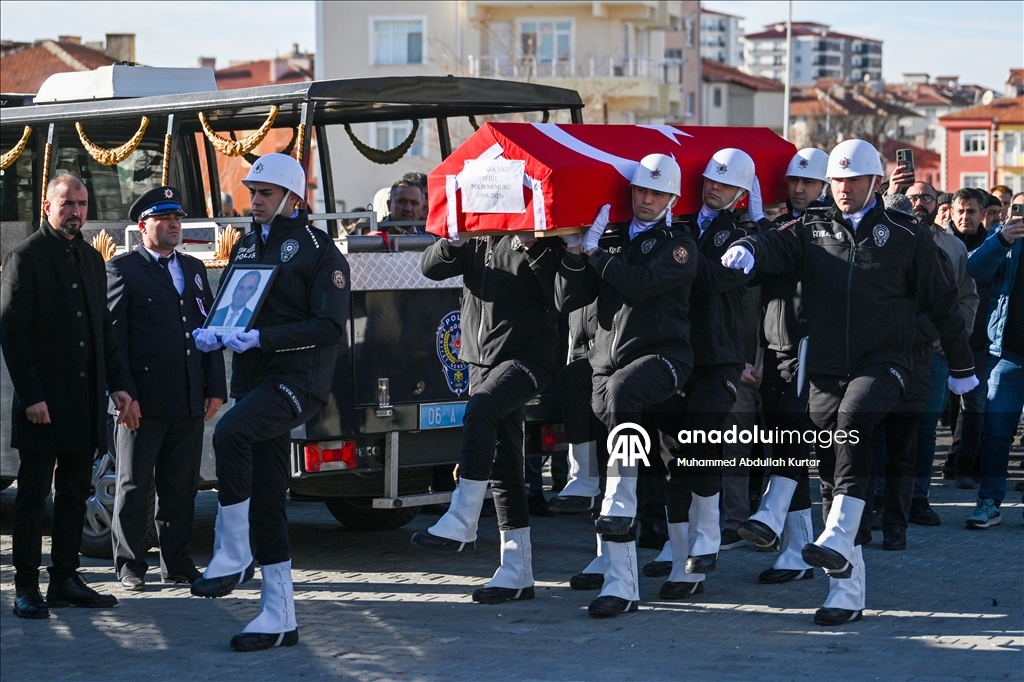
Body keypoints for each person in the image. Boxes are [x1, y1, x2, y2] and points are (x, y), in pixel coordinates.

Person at [722, 138, 977, 626]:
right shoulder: (813, 227)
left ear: (875, 183)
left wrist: (963, 369)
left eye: (852, 181)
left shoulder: (907, 233)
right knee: (828, 461)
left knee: (853, 420)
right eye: (836, 181)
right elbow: (776, 242)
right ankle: (845, 588)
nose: (842, 190)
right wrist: (748, 247)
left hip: (887, 362)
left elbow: (945, 301)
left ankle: (795, 519)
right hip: (826, 366)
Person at [189, 153, 350, 652]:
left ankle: (233, 552)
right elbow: (236, 304)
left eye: (264, 193)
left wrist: (262, 338)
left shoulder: (320, 252)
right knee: (268, 500)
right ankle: (279, 616)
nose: (253, 200)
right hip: (257, 379)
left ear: (291, 198)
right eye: (252, 191)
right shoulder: (247, 243)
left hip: (297, 380)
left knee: (233, 431)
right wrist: (216, 334)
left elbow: (329, 326)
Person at [556, 154, 698, 617]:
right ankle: (618, 578)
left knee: (633, 457)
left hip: (663, 360)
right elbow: (568, 299)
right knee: (590, 393)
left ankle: (633, 511)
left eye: (657, 193)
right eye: (640, 191)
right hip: (608, 363)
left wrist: (598, 254)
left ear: (673, 199)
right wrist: (575, 255)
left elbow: (637, 286)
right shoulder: (611, 239)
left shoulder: (678, 246)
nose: (646, 199)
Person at [1, 173, 133, 619]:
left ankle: (65, 579)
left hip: (84, 402)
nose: (76, 211)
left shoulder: (93, 259)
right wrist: (31, 394)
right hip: (42, 404)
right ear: (47, 205)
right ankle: (25, 586)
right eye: (67, 203)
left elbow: (103, 332)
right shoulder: (25, 257)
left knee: (75, 492)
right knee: (33, 497)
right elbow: (13, 335)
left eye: (82, 203)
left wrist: (119, 385)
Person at [413, 218, 563, 607]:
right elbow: (431, 267)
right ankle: (517, 571)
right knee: (505, 464)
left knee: (480, 410)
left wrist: (534, 247)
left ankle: (463, 517)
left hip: (529, 356)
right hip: (480, 361)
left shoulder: (539, 230)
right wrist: (452, 238)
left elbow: (564, 294)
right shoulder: (477, 232)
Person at [646, 148, 759, 601]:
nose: (713, 187)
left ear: (740, 193)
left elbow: (716, 279)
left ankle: (708, 537)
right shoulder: (682, 225)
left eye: (725, 184)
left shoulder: (744, 236)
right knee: (674, 461)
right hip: (678, 354)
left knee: (704, 439)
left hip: (719, 358)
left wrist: (682, 254)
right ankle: (680, 561)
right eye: (710, 180)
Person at [106, 186, 227, 591]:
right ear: (144, 226)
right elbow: (114, 340)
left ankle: (176, 562)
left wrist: (215, 386)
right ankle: (129, 564)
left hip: (188, 395)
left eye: (177, 217)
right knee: (135, 485)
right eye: (164, 219)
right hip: (142, 401)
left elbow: (206, 329)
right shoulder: (123, 269)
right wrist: (123, 393)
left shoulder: (193, 268)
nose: (175, 224)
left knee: (180, 488)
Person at [738, 148, 830, 584]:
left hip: (811, 347)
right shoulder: (782, 226)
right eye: (794, 181)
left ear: (826, 187)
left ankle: (775, 518)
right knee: (783, 442)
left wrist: (762, 229)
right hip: (777, 347)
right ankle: (796, 552)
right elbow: (757, 278)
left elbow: (793, 249)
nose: (798, 189)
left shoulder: (826, 228)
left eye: (808, 183)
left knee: (792, 439)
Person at [964, 211, 1024, 528]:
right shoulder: (1008, 234)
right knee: (997, 432)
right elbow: (974, 270)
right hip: (1010, 354)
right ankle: (989, 502)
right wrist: (1002, 239)